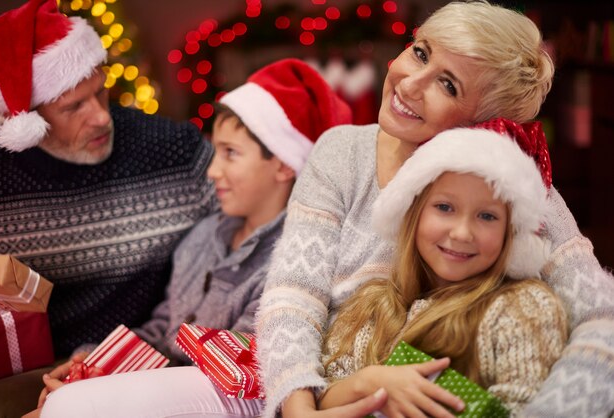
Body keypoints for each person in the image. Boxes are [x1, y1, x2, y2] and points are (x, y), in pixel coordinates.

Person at [256, 2, 614, 418]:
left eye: (448, 85)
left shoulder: (516, 188)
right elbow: (293, 296)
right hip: (322, 392)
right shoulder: (341, 152)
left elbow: (603, 322)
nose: (409, 84)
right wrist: (299, 408)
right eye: (420, 53)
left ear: (482, 124)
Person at [36, 58, 356, 417]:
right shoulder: (203, 237)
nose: (212, 170)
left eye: (230, 153)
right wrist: (97, 360)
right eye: (215, 150)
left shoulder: (292, 263)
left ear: (283, 164)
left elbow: (233, 376)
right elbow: (165, 328)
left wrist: (103, 386)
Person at [0, 0, 215, 416]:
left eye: (101, 92)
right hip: (29, 376)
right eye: (74, 107)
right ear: (26, 120)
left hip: (146, 364)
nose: (100, 118)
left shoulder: (173, 152)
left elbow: (245, 238)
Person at [319, 121, 568, 417]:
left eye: (486, 216)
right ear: (414, 213)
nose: (462, 233)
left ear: (508, 233)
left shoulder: (523, 308)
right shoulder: (369, 306)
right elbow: (319, 401)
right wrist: (369, 383)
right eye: (445, 208)